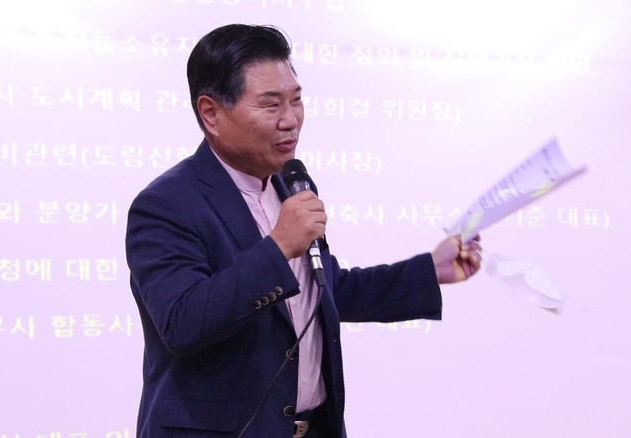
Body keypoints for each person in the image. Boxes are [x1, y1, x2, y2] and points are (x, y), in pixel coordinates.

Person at [125, 24, 482, 438]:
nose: (290, 120)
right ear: (211, 113)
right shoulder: (167, 203)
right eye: (270, 104)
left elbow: (322, 291)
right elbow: (181, 323)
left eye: (296, 100)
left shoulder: (287, 184)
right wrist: (278, 248)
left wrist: (428, 270)